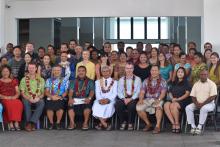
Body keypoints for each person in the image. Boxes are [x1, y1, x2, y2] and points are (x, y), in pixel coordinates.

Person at [136, 65, 167, 134]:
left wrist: (158, 100)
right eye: (152, 70)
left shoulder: (163, 81)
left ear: (159, 72)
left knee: (159, 107)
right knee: (138, 107)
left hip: (158, 99)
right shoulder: (146, 80)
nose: (154, 72)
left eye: (155, 70)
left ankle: (158, 126)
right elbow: (142, 92)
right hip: (147, 99)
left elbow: (163, 93)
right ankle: (148, 124)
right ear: (150, 71)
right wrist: (140, 99)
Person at [185, 68, 217, 135]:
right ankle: (193, 127)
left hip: (209, 104)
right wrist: (196, 103)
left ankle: (199, 126)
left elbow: (212, 97)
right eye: (201, 75)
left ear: (208, 75)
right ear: (199, 75)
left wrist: (203, 104)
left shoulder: (212, 84)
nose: (203, 76)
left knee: (204, 108)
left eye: (205, 74)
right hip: (197, 103)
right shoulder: (196, 84)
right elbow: (192, 96)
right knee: (188, 108)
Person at [164, 67, 191, 133]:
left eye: (182, 72)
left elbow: (187, 94)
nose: (180, 73)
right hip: (174, 99)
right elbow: (169, 92)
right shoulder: (174, 82)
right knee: (166, 105)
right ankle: (173, 123)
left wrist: (178, 99)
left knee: (173, 105)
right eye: (178, 72)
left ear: (184, 74)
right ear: (176, 73)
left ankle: (177, 123)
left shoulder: (187, 82)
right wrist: (172, 98)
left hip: (183, 100)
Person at [19, 62, 45, 132]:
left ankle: (30, 123)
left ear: (36, 69)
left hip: (38, 97)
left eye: (33, 68)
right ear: (28, 68)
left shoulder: (41, 79)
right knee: (26, 103)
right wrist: (29, 98)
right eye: (29, 68)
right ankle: (31, 124)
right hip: (27, 97)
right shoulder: (24, 79)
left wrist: (38, 98)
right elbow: (22, 92)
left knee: (41, 103)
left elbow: (43, 93)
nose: (31, 69)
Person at [116, 62, 141, 130]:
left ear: (133, 69)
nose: (129, 70)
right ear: (125, 69)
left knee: (132, 106)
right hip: (124, 98)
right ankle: (123, 122)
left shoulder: (138, 79)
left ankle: (130, 123)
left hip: (133, 98)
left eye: (130, 68)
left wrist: (131, 99)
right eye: (127, 68)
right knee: (118, 104)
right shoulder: (121, 79)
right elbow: (119, 91)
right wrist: (124, 99)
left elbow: (138, 92)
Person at [68, 66, 95, 130]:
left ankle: (85, 123)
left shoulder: (90, 81)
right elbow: (71, 91)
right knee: (70, 104)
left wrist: (89, 98)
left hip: (85, 98)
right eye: (79, 71)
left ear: (86, 72)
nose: (81, 72)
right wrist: (70, 98)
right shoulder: (73, 81)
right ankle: (72, 123)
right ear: (77, 72)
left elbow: (92, 91)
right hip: (75, 99)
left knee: (87, 106)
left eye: (83, 71)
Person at [92, 66, 117, 130]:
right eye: (103, 71)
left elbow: (115, 93)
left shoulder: (115, 82)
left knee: (109, 107)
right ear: (101, 73)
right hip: (100, 99)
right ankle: (105, 124)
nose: (105, 73)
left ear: (110, 72)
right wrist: (100, 100)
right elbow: (97, 92)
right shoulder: (97, 82)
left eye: (107, 71)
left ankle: (100, 124)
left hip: (110, 100)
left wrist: (108, 100)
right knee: (96, 106)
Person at [45, 65, 69, 130]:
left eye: (58, 70)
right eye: (55, 70)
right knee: (49, 106)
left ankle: (58, 123)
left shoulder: (65, 80)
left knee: (60, 106)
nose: (56, 71)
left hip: (61, 97)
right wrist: (51, 96)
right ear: (52, 71)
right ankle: (51, 123)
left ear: (61, 71)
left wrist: (60, 96)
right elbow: (46, 91)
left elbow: (66, 91)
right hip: (51, 97)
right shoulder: (48, 80)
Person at [0, 65, 23, 131]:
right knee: (8, 104)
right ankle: (10, 122)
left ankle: (16, 122)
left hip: (13, 98)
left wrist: (14, 97)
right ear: (1, 72)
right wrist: (6, 97)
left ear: (9, 72)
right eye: (3, 71)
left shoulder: (14, 81)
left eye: (7, 71)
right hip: (3, 98)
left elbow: (18, 92)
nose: (5, 73)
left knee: (19, 103)